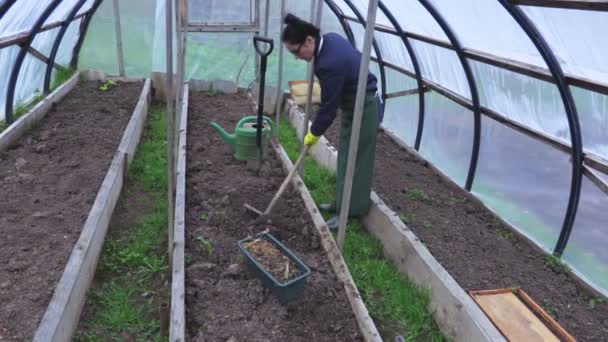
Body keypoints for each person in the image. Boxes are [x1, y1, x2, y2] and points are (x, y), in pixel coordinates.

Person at [281, 13, 382, 230]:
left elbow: (328, 108)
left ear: (309, 40)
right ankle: (341, 203)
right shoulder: (331, 40)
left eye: (296, 51)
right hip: (352, 104)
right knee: (345, 156)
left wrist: (314, 133)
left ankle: (350, 212)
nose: (297, 57)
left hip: (364, 107)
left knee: (357, 162)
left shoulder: (328, 63)